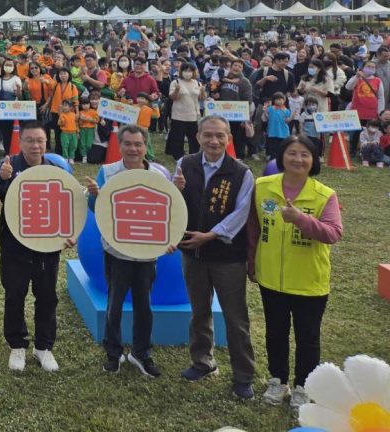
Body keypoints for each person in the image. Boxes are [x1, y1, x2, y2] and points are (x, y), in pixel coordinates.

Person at [248, 135, 343, 411]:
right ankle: (277, 380)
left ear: (314, 160)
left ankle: (304, 386)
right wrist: (252, 262)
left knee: (307, 337)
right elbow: (253, 227)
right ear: (281, 156)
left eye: (304, 154)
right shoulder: (262, 187)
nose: (297, 159)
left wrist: (300, 219)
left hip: (308, 280)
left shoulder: (324, 195)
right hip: (271, 278)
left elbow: (333, 233)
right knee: (275, 333)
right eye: (292, 153)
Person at [174, 116, 256, 400]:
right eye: (207, 135)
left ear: (228, 138)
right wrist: (176, 188)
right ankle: (202, 362)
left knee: (235, 317)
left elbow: (241, 213)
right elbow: (173, 202)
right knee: (199, 311)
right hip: (192, 253)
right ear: (197, 136)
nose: (214, 141)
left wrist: (210, 235)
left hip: (227, 256)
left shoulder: (241, 172)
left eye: (220, 135)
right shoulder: (185, 164)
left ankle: (243, 376)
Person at [85, 124, 172, 378]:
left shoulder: (157, 175)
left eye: (138, 144)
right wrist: (94, 195)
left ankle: (141, 353)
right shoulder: (108, 171)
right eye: (128, 144)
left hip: (147, 252)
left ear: (146, 146)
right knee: (114, 304)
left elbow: (170, 211)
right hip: (117, 251)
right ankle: (113, 353)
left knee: (144, 305)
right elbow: (96, 209)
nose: (133, 149)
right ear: (120, 145)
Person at [0, 121, 68, 372]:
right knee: (15, 294)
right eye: (30, 140)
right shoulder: (5, 166)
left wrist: (69, 233)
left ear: (46, 143)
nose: (35, 146)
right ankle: (17, 344)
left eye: (40, 141)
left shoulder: (55, 170)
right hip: (14, 245)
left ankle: (44, 346)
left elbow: (66, 207)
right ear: (20, 142)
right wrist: (1, 181)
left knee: (47, 296)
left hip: (46, 247)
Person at [167, 62, 204, 158]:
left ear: (193, 72)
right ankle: (178, 156)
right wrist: (177, 90)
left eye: (190, 71)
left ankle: (194, 155)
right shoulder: (176, 82)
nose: (188, 73)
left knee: (194, 138)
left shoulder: (197, 83)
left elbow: (201, 98)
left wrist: (203, 91)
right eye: (185, 70)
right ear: (181, 71)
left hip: (193, 115)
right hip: (179, 115)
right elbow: (172, 97)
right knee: (178, 137)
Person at [57, 99, 79, 164]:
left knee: (73, 145)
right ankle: (65, 158)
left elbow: (76, 124)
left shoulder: (74, 114)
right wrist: (61, 121)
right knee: (65, 146)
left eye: (66, 105)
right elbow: (58, 123)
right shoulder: (62, 115)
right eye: (63, 105)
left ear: (70, 107)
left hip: (73, 133)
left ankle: (71, 157)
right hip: (65, 133)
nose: (64, 107)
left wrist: (77, 132)